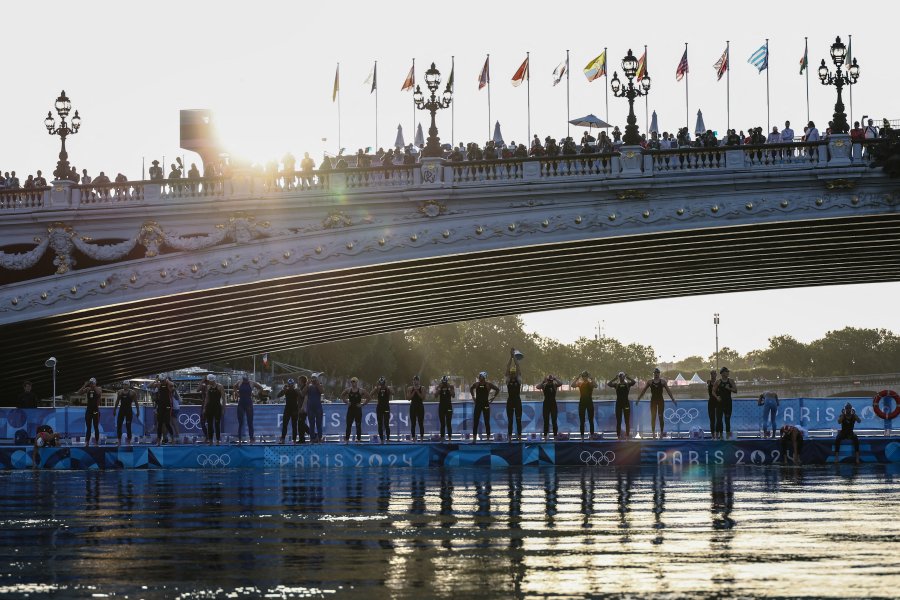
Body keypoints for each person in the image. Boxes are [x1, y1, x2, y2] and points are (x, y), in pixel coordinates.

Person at [636, 368, 677, 439]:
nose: (656, 374)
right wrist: (638, 399)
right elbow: (643, 391)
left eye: (657, 373)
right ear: (653, 374)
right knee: (653, 417)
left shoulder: (663, 382)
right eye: (655, 373)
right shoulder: (650, 382)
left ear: (659, 374)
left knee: (661, 417)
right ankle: (653, 433)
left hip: (660, 401)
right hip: (653, 401)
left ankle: (661, 433)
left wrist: (673, 399)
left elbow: (668, 391)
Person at [470, 372, 499, 442]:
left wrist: (493, 398)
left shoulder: (488, 384)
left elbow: (497, 389)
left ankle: (488, 437)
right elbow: (471, 389)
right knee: (476, 421)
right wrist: (473, 396)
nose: (479, 378)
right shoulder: (476, 384)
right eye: (479, 377)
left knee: (486, 421)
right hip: (478, 404)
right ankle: (474, 438)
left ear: (484, 377)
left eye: (481, 377)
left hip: (486, 405)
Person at [607, 372, 636, 440]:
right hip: (619, 404)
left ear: (624, 377)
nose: (621, 378)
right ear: (619, 377)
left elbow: (634, 382)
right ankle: (618, 436)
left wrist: (628, 377)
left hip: (626, 403)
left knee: (627, 420)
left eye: (622, 376)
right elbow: (608, 384)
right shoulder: (616, 384)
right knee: (618, 420)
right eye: (620, 377)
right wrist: (614, 378)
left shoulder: (627, 384)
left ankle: (627, 436)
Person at [233, 375, 262, 443]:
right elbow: (234, 386)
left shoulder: (252, 383)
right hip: (241, 404)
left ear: (248, 379)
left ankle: (251, 438)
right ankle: (239, 439)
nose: (245, 381)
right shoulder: (239, 382)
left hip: (248, 404)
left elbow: (261, 388)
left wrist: (256, 394)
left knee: (250, 422)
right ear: (243, 379)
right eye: (244, 380)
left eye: (246, 380)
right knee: (240, 422)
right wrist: (236, 393)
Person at [341, 377, 370, 442]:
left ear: (357, 382)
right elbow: (342, 395)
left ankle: (358, 439)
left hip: (358, 409)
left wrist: (362, 404)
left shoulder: (361, 390)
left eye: (354, 381)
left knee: (358, 425)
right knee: (348, 425)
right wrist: (346, 402)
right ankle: (347, 439)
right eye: (351, 382)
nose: (352, 383)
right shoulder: (348, 390)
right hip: (350, 409)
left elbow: (368, 397)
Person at [150, 375, 175, 445]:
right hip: (161, 406)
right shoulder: (159, 385)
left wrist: (167, 380)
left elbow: (172, 385)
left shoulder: (169, 385)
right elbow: (149, 386)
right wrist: (156, 380)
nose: (162, 382)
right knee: (160, 424)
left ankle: (172, 439)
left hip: (168, 406)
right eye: (161, 381)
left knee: (167, 423)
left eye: (163, 381)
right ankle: (158, 441)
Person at [76, 378, 102, 446]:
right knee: (88, 427)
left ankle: (96, 442)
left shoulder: (98, 388)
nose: (91, 384)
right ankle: (87, 442)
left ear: (95, 383)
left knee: (96, 426)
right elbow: (79, 393)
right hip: (89, 410)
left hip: (95, 410)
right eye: (90, 383)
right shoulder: (87, 389)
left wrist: (94, 386)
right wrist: (84, 385)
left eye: (92, 383)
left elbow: (99, 393)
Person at [536, 374, 563, 440]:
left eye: (551, 380)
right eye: (549, 380)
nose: (550, 382)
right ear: (547, 380)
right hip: (546, 404)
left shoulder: (554, 385)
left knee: (554, 421)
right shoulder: (544, 385)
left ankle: (555, 436)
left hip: (553, 404)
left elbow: (560, 383)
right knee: (546, 421)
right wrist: (543, 381)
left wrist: (555, 379)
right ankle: (545, 437)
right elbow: (537, 387)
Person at [714, 367, 738, 439]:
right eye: (726, 372)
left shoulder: (731, 381)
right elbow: (713, 391)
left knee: (727, 420)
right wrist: (717, 397)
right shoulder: (718, 382)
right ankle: (720, 435)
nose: (728, 373)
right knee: (719, 420)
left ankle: (727, 436)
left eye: (728, 371)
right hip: (720, 403)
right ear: (722, 373)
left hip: (728, 403)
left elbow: (735, 390)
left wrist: (729, 388)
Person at [572, 371, 597, 440]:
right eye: (583, 376)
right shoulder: (580, 383)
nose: (585, 377)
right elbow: (572, 385)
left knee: (590, 420)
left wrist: (592, 378)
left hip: (589, 402)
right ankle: (582, 437)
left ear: (587, 376)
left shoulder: (590, 383)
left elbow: (596, 386)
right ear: (582, 377)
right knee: (582, 420)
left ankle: (592, 436)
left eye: (586, 376)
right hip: (582, 403)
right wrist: (577, 378)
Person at [505, 350, 524, 441]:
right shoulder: (508, 380)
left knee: (518, 420)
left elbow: (518, 366)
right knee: (510, 421)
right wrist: (511, 357)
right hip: (510, 400)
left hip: (517, 400)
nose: (512, 374)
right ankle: (509, 438)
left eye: (514, 373)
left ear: (515, 373)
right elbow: (508, 366)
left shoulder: (519, 380)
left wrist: (514, 358)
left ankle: (519, 438)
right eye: (511, 373)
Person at [278, 379, 302, 444]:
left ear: (293, 385)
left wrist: (298, 391)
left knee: (294, 425)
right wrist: (283, 390)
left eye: (292, 385)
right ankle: (283, 439)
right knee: (285, 425)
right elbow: (278, 395)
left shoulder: (296, 390)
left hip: (294, 409)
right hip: (288, 409)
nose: (291, 386)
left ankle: (294, 440)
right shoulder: (286, 390)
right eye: (289, 385)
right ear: (288, 385)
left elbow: (302, 395)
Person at [203, 374, 225, 445]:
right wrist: (204, 407)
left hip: (217, 407)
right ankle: (211, 440)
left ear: (212, 380)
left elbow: (224, 399)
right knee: (209, 425)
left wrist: (223, 409)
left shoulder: (220, 386)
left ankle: (218, 440)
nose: (208, 382)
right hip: (209, 407)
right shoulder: (208, 387)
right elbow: (207, 398)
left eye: (209, 381)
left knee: (217, 424)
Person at [371, 376, 393, 443]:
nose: (382, 385)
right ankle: (382, 439)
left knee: (386, 424)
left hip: (386, 407)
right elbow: (371, 394)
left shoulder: (388, 388)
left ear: (385, 383)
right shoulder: (377, 388)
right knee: (380, 424)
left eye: (383, 384)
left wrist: (388, 388)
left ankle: (388, 439)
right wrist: (376, 388)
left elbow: (393, 393)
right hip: (379, 407)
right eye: (381, 383)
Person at [406, 375, 427, 442]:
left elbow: (423, 398)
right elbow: (408, 398)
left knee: (421, 423)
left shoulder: (422, 388)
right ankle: (414, 438)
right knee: (413, 423)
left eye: (417, 380)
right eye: (414, 380)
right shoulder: (410, 388)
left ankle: (421, 438)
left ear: (419, 381)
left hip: (420, 406)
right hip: (413, 406)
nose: (415, 381)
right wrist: (414, 391)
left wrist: (417, 391)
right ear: (413, 381)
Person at [435, 375, 455, 441]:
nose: (444, 384)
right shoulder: (439, 386)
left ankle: (449, 438)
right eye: (443, 382)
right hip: (442, 407)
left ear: (447, 382)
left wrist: (448, 388)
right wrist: (440, 388)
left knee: (448, 423)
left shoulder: (451, 386)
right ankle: (442, 438)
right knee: (442, 423)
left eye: (445, 382)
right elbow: (435, 395)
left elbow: (453, 395)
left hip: (448, 406)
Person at [306, 375, 324, 442]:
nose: (313, 380)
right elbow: (302, 393)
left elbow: (321, 391)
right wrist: (307, 384)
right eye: (312, 379)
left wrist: (317, 384)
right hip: (310, 407)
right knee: (311, 424)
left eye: (315, 379)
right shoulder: (309, 386)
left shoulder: (319, 385)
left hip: (318, 407)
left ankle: (319, 437)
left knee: (319, 423)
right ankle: (312, 438)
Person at [706, 369, 719, 439]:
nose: (712, 375)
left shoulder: (719, 382)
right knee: (712, 419)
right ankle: (713, 435)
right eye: (711, 374)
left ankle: (717, 434)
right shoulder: (708, 382)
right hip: (711, 402)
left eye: (713, 374)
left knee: (718, 419)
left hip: (717, 402)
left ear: (716, 375)